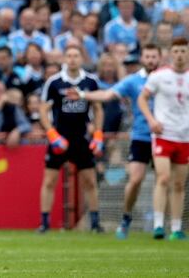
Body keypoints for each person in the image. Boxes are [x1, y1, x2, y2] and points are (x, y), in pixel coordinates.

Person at [65, 44, 161, 239]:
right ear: (142, 58)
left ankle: (165, 225)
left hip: (167, 136)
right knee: (135, 180)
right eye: (147, 56)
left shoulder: (169, 78)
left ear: (160, 58)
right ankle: (126, 219)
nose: (151, 60)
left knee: (166, 180)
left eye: (154, 56)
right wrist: (83, 95)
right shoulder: (133, 81)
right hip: (142, 136)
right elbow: (107, 95)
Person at [37, 45, 104, 233]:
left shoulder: (90, 81)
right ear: (64, 59)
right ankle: (44, 223)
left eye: (76, 55)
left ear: (81, 58)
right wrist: (51, 134)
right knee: (49, 181)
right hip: (59, 138)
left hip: (81, 138)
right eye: (69, 55)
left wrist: (98, 133)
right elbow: (43, 109)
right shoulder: (55, 82)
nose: (73, 59)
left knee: (90, 180)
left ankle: (95, 223)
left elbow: (98, 108)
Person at [137, 38, 189, 240]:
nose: (179, 55)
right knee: (164, 177)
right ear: (170, 53)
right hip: (163, 134)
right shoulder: (159, 76)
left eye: (183, 51)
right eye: (176, 51)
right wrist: (151, 120)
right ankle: (158, 225)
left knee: (179, 184)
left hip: (184, 136)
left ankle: (176, 228)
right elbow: (142, 98)